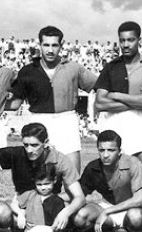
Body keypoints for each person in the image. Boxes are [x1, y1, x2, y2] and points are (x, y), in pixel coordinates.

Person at [8, 26, 98, 171]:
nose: (50, 50)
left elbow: (99, 86)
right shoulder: (28, 71)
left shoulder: (74, 68)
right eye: (46, 45)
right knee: (39, 176)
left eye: (54, 45)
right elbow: (14, 104)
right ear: (40, 45)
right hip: (38, 121)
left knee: (72, 174)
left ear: (61, 46)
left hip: (66, 121)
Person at [0, 122, 86, 232]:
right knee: (0, 211)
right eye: (26, 145)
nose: (29, 150)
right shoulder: (17, 154)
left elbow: (79, 197)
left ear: (46, 142)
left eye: (34, 145)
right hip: (22, 210)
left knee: (74, 216)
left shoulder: (60, 160)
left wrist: (65, 213)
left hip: (49, 208)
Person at [94, 21, 142, 185]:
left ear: (139, 40)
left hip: (141, 125)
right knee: (116, 183)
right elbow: (100, 103)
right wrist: (138, 100)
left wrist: (117, 95)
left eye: (130, 40)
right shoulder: (110, 67)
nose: (125, 44)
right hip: (114, 124)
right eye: (122, 40)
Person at [75, 130, 142, 232]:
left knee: (136, 217)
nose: (105, 155)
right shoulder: (93, 167)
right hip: (108, 204)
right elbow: (78, 194)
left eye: (111, 150)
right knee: (80, 217)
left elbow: (138, 199)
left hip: (132, 206)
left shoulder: (133, 163)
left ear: (120, 151)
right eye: (101, 150)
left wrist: (107, 212)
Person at [15, 163, 71, 232]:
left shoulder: (57, 201)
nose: (43, 188)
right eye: (39, 185)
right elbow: (14, 203)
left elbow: (57, 226)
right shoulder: (30, 194)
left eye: (47, 184)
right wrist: (20, 213)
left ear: (54, 180)